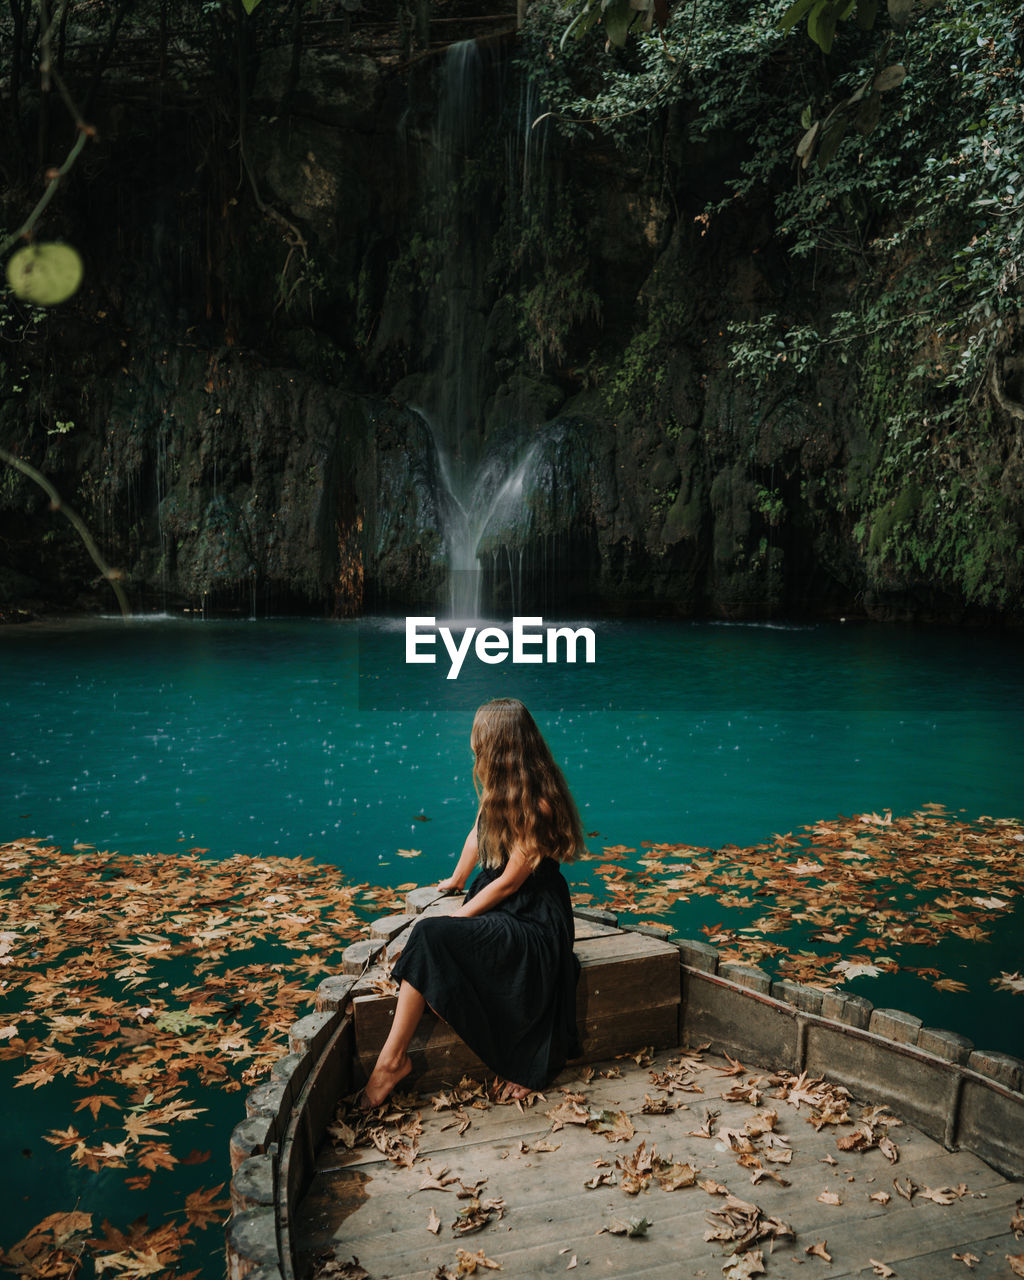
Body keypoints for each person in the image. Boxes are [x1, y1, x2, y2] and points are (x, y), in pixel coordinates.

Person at [361, 697, 585, 1107]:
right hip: (501, 902)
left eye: (479, 737)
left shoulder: (539, 803)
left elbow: (509, 884)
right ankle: (392, 1059)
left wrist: (460, 916)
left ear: (500, 745)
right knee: (435, 938)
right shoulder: (499, 790)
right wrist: (455, 880)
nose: (473, 745)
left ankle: (391, 1062)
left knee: (431, 934)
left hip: (534, 916)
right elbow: (475, 835)